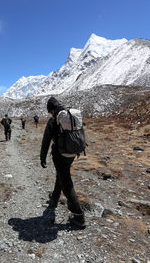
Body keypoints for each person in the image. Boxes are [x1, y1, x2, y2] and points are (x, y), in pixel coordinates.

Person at [40, 97, 86, 229]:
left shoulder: (54, 119)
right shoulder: (71, 114)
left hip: (60, 154)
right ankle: (54, 198)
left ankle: (79, 217)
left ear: (52, 110)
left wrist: (42, 157)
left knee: (66, 182)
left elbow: (46, 140)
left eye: (50, 111)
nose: (50, 114)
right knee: (62, 173)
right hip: (73, 152)